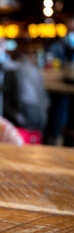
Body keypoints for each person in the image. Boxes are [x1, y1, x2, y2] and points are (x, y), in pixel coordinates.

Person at [44, 18, 74, 146]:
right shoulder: (55, 47)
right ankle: (54, 136)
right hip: (57, 90)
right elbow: (48, 66)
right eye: (72, 30)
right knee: (59, 106)